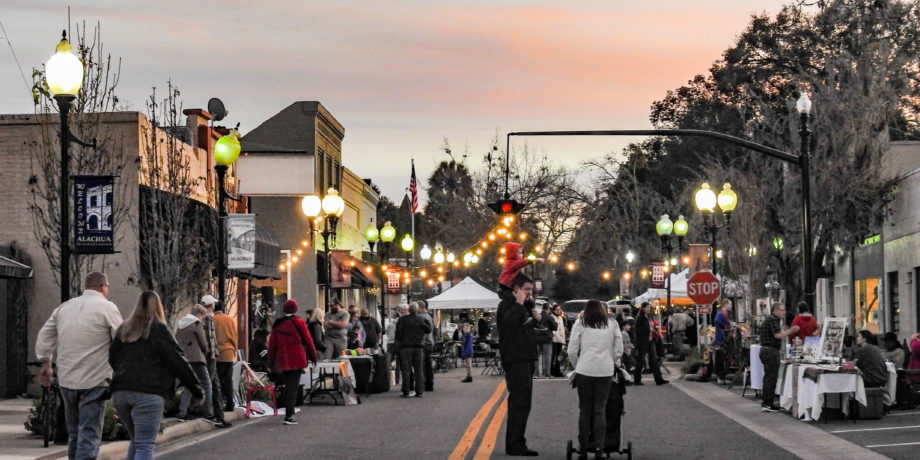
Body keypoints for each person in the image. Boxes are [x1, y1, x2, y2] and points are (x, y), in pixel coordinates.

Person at [35, 272, 123, 460]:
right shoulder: (107, 308)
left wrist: (46, 361)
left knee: (74, 434)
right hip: (95, 379)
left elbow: (45, 335)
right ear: (103, 287)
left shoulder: (64, 307)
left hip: (67, 379)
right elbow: (121, 339)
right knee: (89, 436)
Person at [109, 291, 203, 460]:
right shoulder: (159, 329)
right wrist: (196, 390)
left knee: (137, 440)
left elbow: (112, 358)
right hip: (149, 392)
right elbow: (178, 362)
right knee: (145, 444)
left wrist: (124, 373)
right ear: (158, 307)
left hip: (120, 392)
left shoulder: (123, 329)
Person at [568, 300, 624, 459]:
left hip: (584, 369)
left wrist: (577, 365)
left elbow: (572, 350)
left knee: (585, 410)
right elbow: (618, 349)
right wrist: (610, 361)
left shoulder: (580, 323)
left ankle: (583, 448)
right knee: (600, 409)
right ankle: (599, 447)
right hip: (605, 370)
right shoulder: (612, 324)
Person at [498, 273, 540, 456]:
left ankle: (517, 441)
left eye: (531, 290)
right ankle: (515, 443)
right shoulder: (508, 305)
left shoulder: (523, 306)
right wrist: (519, 303)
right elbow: (510, 323)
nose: (530, 293)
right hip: (516, 359)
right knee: (519, 402)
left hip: (525, 356)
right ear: (516, 289)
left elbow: (523, 327)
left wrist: (534, 318)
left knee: (523, 402)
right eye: (526, 290)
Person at [266, 299, 318, 425]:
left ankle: (287, 410)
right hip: (297, 358)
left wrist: (270, 363)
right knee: (293, 387)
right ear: (295, 309)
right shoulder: (299, 322)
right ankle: (289, 415)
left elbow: (272, 345)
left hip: (282, 359)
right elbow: (308, 341)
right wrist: (313, 357)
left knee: (287, 385)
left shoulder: (277, 325)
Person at [175, 305, 218, 423]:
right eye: (203, 316)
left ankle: (182, 412)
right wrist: (206, 353)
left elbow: (176, 340)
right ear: (199, 314)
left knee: (189, 385)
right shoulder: (197, 324)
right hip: (196, 358)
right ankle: (209, 412)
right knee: (207, 384)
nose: (203, 319)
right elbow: (203, 343)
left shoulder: (180, 324)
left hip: (184, 359)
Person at [759, 302, 799, 412]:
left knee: (769, 377)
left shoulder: (770, 319)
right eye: (782, 310)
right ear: (776, 310)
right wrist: (791, 330)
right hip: (770, 351)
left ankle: (767, 402)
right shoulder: (772, 319)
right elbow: (777, 335)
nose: (784, 312)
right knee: (771, 378)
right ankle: (767, 403)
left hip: (766, 350)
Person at [199, 295, 232, 427]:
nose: (214, 305)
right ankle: (212, 414)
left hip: (208, 355)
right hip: (210, 356)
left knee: (214, 384)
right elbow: (210, 339)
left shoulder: (202, 318)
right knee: (211, 384)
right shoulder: (208, 318)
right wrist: (213, 353)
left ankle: (218, 415)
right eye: (213, 303)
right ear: (210, 305)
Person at [395, 302, 430, 397]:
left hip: (405, 347)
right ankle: (419, 391)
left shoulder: (402, 320)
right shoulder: (420, 319)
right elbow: (428, 329)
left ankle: (406, 391)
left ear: (409, 310)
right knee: (419, 370)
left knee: (406, 370)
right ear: (417, 309)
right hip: (418, 347)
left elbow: (398, 334)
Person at [633, 302, 667, 386]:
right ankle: (637, 379)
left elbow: (651, 326)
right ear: (643, 308)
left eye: (649, 307)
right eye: (647, 307)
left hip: (651, 341)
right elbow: (639, 331)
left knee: (654, 360)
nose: (648, 309)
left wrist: (654, 329)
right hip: (643, 342)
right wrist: (649, 329)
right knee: (640, 361)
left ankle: (659, 379)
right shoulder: (640, 318)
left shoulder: (649, 317)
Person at [212, 301, 238, 412]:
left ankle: (218, 404)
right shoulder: (230, 319)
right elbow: (235, 337)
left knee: (217, 381)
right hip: (229, 352)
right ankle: (230, 403)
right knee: (228, 380)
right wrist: (234, 351)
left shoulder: (212, 320)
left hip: (218, 353)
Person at [711, 300, 734, 384]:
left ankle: (722, 377)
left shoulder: (723, 314)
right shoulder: (721, 314)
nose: (731, 306)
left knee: (724, 358)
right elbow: (728, 325)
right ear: (725, 305)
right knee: (723, 358)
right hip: (723, 340)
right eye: (730, 304)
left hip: (724, 339)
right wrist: (731, 326)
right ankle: (721, 377)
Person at [417, 301, 436, 392]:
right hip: (430, 342)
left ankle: (424, 383)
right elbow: (435, 330)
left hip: (424, 343)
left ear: (420, 307)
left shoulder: (421, 317)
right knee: (428, 364)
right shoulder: (430, 317)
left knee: (423, 365)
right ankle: (430, 383)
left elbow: (422, 331)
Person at [537, 303, 557, 378]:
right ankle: (547, 373)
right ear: (548, 309)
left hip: (537, 338)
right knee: (547, 356)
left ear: (542, 308)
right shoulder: (550, 317)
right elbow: (555, 327)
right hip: (547, 338)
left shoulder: (538, 316)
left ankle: (536, 374)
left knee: (537, 356)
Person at [551, 304, 567, 377]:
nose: (559, 311)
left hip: (560, 339)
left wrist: (563, 339)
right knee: (553, 356)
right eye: (557, 310)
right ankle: (552, 370)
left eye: (559, 309)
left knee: (559, 356)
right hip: (554, 339)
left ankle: (558, 370)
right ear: (554, 310)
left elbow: (562, 329)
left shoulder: (561, 318)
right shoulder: (552, 317)